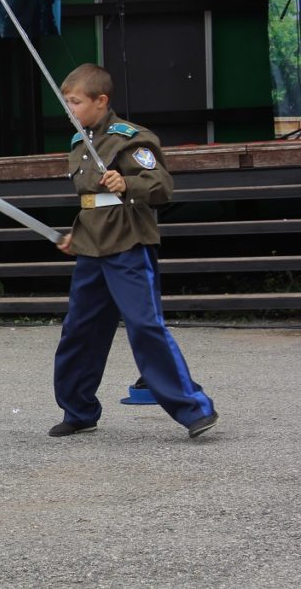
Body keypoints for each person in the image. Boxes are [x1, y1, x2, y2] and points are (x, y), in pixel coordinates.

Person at [50, 64, 218, 439]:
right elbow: (91, 202)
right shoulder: (80, 144)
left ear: (101, 101)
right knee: (80, 329)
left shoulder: (130, 139)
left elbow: (161, 185)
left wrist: (126, 181)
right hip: (91, 246)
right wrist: (74, 237)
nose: (70, 109)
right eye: (66, 102)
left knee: (144, 325)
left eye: (75, 101)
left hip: (126, 243)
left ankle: (194, 409)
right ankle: (78, 410)